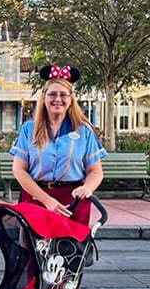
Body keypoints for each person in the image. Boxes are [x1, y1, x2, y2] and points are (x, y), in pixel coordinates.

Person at [10, 65, 106, 224]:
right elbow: (19, 170)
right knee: (35, 248)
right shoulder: (29, 129)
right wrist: (47, 200)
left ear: (71, 99)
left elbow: (95, 172)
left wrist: (87, 188)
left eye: (63, 95)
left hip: (73, 202)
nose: (58, 99)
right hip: (37, 199)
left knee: (70, 247)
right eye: (52, 94)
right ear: (44, 97)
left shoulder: (84, 131)